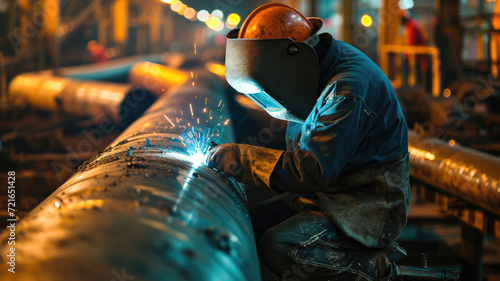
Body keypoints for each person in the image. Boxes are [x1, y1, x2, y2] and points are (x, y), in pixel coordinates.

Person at [208, 3, 411, 280]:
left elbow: (311, 171)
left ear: (293, 54)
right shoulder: (313, 70)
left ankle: (378, 270)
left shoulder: (346, 91)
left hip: (365, 204)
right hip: (327, 194)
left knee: (280, 247)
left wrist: (240, 157)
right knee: (251, 226)